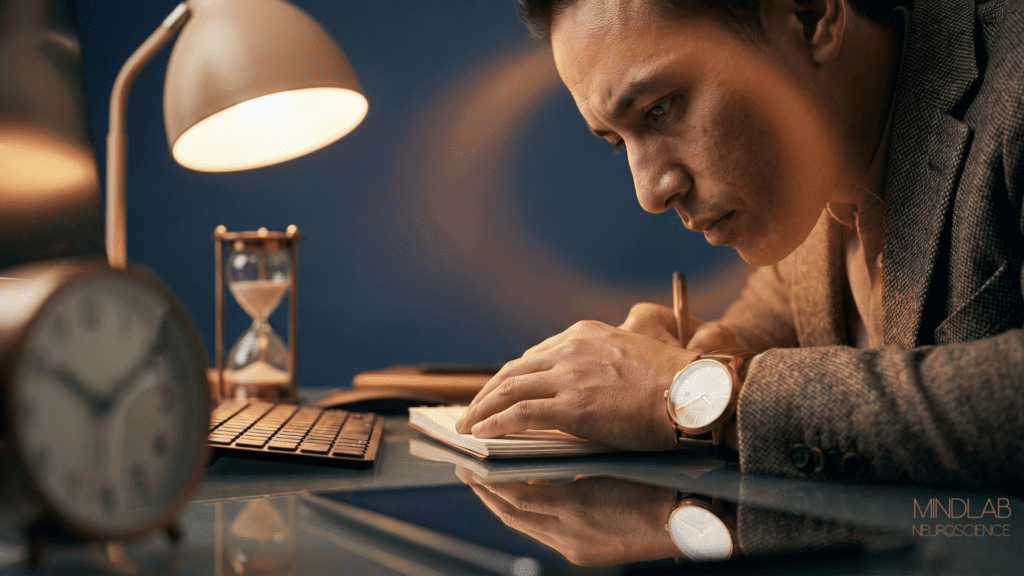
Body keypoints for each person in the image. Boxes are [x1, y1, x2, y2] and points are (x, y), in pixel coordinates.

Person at [456, 0, 1024, 491]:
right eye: (615, 141)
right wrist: (692, 360)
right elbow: (766, 326)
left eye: (660, 108)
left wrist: (700, 397)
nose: (651, 192)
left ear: (808, 16)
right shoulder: (811, 177)